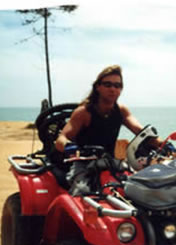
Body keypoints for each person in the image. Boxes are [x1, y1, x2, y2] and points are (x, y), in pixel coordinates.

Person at [55, 65, 167, 194]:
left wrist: (162, 144)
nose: (113, 89)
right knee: (84, 193)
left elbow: (140, 131)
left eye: (117, 85)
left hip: (109, 162)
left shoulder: (121, 111)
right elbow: (61, 139)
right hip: (82, 163)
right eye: (108, 85)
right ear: (98, 87)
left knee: (138, 187)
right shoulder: (84, 112)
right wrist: (69, 146)